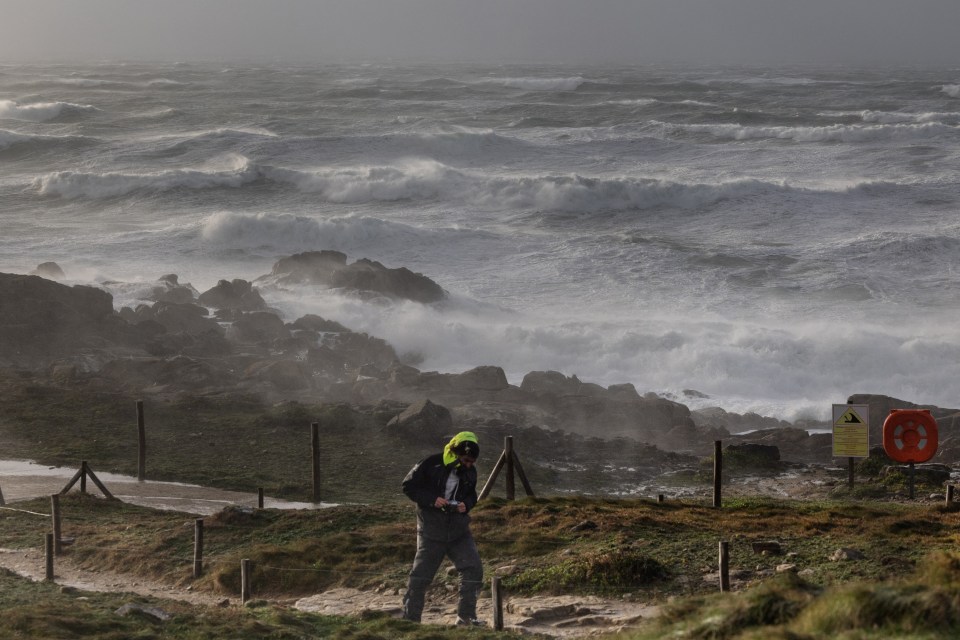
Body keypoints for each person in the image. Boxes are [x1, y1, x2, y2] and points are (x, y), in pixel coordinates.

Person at [401, 431, 484, 626]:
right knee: (421, 576)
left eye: (472, 462)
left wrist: (466, 504)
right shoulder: (431, 463)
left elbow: (472, 495)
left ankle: (466, 618)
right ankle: (410, 622)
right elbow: (408, 486)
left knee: (473, 569)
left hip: (459, 530)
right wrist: (432, 500)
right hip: (431, 530)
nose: (469, 465)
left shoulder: (471, 472)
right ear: (455, 452)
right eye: (466, 460)